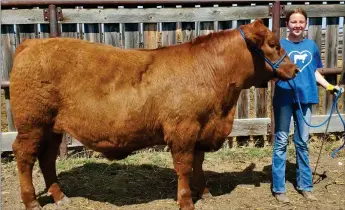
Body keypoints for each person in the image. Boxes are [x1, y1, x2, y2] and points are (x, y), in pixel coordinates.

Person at [272, 8, 340, 203]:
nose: (297, 25)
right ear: (287, 25)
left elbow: (314, 72)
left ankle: (306, 186)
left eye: (301, 22)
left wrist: (329, 86)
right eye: (293, 22)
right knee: (281, 141)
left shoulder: (311, 46)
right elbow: (271, 69)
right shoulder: (280, 46)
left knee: (302, 143)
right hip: (284, 97)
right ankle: (279, 187)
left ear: (306, 24)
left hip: (306, 98)